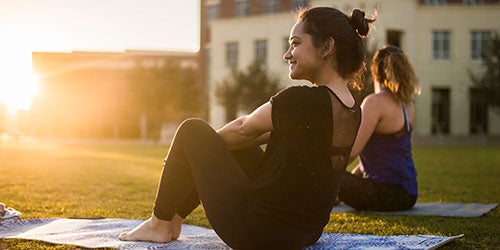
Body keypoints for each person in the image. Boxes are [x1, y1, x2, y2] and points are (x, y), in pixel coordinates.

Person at [119, 7, 374, 249]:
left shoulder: (302, 100)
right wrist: (201, 157)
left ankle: (159, 224)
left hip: (257, 232)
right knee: (241, 149)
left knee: (192, 131)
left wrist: (193, 155)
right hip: (305, 233)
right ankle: (173, 218)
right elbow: (258, 138)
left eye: (295, 44)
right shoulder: (353, 109)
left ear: (327, 47)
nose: (287, 54)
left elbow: (243, 127)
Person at [337, 45, 420, 212]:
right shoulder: (409, 105)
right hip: (409, 195)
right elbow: (374, 161)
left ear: (375, 71)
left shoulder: (374, 103)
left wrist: (325, 173)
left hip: (384, 195)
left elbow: (351, 152)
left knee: (322, 169)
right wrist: (344, 188)